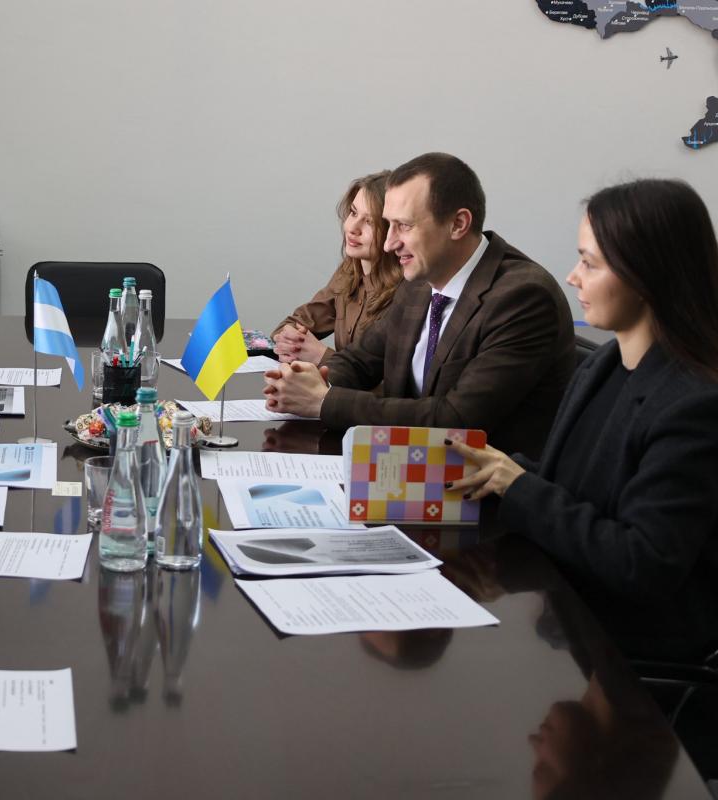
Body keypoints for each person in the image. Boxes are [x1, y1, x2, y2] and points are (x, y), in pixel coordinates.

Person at [447, 178, 718, 662]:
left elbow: (643, 562)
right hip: (566, 609)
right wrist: (499, 472)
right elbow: (571, 489)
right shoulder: (601, 365)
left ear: (646, 274)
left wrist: (519, 486)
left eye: (589, 263)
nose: (572, 277)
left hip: (626, 649)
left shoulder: (694, 404)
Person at [263, 152, 576, 457]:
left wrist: (323, 401)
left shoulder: (523, 297)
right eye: (388, 225)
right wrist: (307, 379)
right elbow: (361, 360)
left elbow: (458, 420)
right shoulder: (421, 280)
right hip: (406, 464)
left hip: (477, 481)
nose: (389, 244)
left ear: (458, 224)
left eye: (404, 226)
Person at [271, 170, 403, 365]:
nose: (352, 228)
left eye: (369, 221)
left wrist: (320, 355)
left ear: (391, 230)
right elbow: (294, 323)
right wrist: (289, 341)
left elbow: (391, 380)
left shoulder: (408, 294)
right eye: (353, 212)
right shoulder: (350, 270)